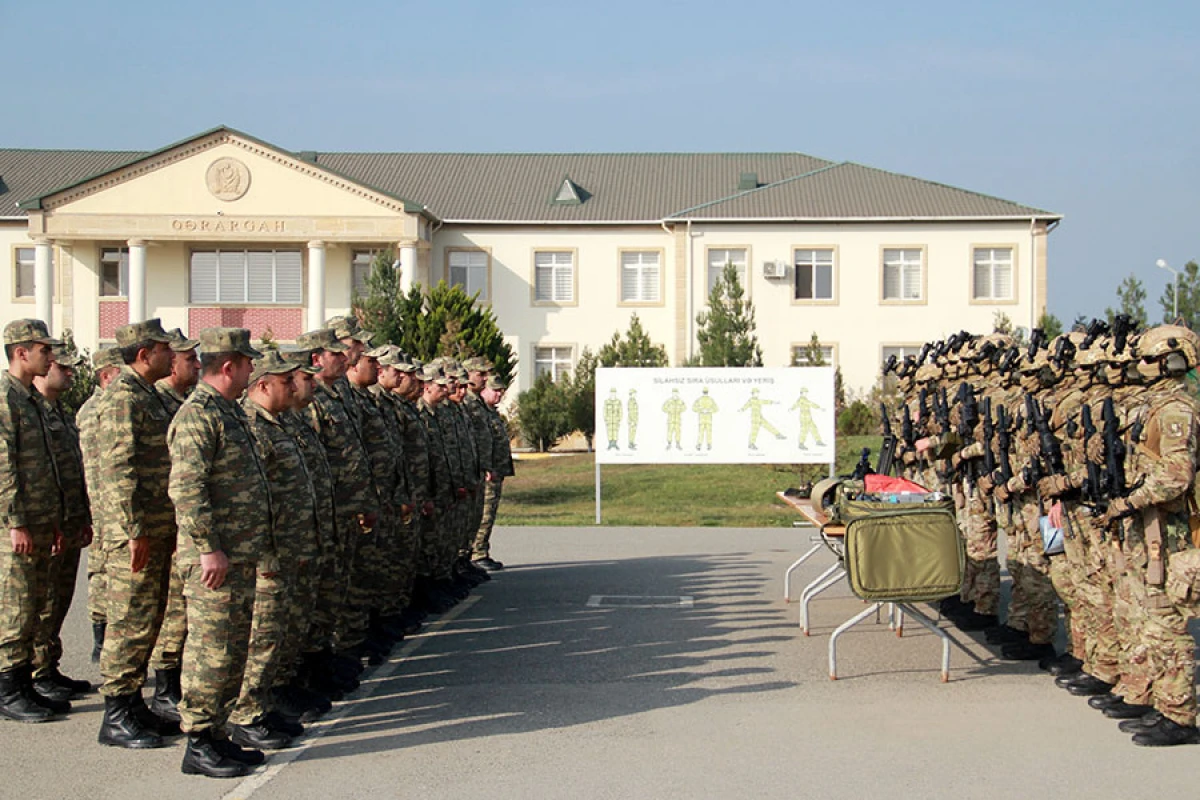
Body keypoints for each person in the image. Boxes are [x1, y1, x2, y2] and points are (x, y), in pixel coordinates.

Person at [169, 327, 273, 777]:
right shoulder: (198, 416)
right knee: (210, 650)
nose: (253, 370)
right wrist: (208, 548)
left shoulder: (227, 412)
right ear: (228, 366)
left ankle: (216, 734)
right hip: (212, 560)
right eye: (248, 363)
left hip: (240, 554)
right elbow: (186, 489)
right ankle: (197, 741)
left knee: (231, 650)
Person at [96, 318, 178, 749]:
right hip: (137, 531)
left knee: (147, 620)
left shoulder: (148, 394)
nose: (172, 355)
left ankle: (133, 704)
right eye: (165, 348)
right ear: (144, 355)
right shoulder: (122, 398)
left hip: (156, 526)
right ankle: (116, 713)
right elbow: (119, 469)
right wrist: (133, 530)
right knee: (129, 620)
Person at [0, 319, 66, 723]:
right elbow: (3, 464)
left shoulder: (29, 398)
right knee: (17, 607)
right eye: (45, 350)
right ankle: (8, 689)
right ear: (22, 352)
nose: (51, 357)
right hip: (19, 524)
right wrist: (15, 521)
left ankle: (25, 684)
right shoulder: (6, 398)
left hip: (41, 520)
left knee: (36, 603)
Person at [30, 347, 94, 703]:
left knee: (60, 599)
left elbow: (74, 470)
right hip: (47, 521)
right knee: (41, 599)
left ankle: (48, 666)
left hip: (68, 520)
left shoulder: (62, 413)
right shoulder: (33, 413)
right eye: (63, 368)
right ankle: (36, 672)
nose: (69, 374)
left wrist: (81, 517)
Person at [147, 327, 200, 723]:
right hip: (161, 522)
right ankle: (164, 684)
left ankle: (174, 680)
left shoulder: (178, 402)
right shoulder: (162, 401)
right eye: (187, 358)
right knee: (170, 608)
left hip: (175, 522)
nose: (194, 364)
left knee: (180, 606)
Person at [78, 346, 124, 663]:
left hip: (110, 506)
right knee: (102, 571)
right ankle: (100, 636)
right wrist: (101, 514)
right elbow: (95, 468)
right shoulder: (94, 410)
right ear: (106, 375)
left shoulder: (113, 405)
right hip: (102, 507)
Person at [472, 374, 514, 570]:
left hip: (495, 471)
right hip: (486, 473)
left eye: (501, 391)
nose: (499, 394)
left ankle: (481, 550)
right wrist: (486, 466)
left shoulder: (490, 413)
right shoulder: (477, 411)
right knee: (484, 514)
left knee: (489, 513)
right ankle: (477, 552)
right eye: (495, 390)